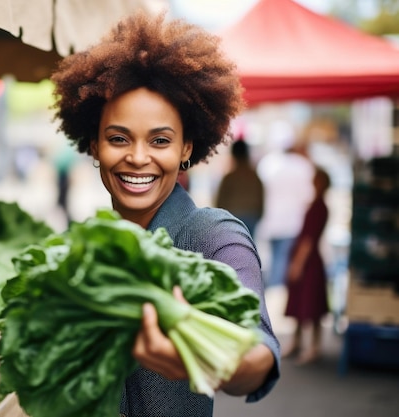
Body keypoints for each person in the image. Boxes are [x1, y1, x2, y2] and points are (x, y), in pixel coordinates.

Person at [50, 10, 280, 417]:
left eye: (160, 140)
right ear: (93, 145)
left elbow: (258, 349)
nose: (138, 158)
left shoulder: (214, 235)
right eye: (118, 138)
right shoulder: (90, 249)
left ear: (187, 148)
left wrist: (219, 362)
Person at [282, 166, 331, 365]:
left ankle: (314, 346)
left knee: (311, 305)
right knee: (302, 303)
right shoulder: (316, 205)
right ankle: (298, 342)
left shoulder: (319, 207)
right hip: (309, 259)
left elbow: (308, 240)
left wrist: (297, 264)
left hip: (309, 261)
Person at [257, 122, 315, 288]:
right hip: (293, 223)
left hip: (270, 222)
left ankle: (274, 298)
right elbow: (308, 196)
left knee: (275, 261)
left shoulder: (266, 164)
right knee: (283, 263)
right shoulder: (302, 166)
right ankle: (277, 297)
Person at [215, 139, 264, 238]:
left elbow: (220, 200)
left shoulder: (229, 177)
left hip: (233, 216)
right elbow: (261, 197)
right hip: (251, 216)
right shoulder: (254, 176)